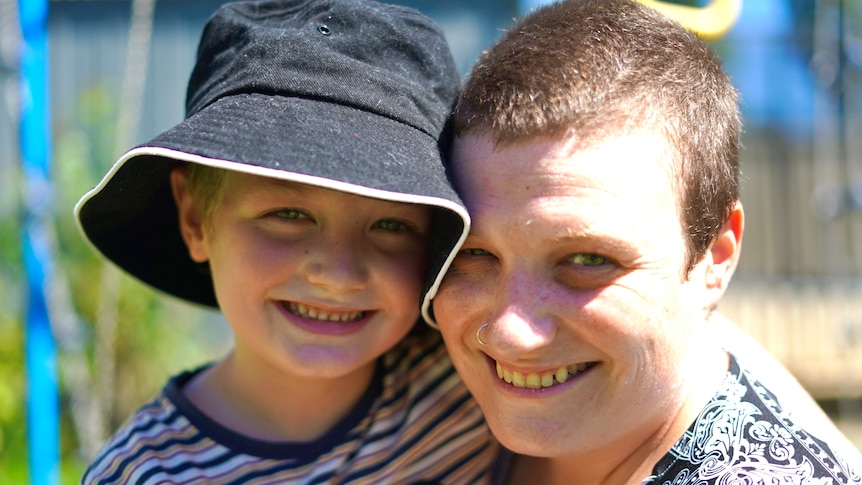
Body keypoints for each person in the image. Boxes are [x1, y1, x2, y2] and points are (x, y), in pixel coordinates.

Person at [423, 0, 862, 483]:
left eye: (589, 260)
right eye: (473, 253)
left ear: (715, 256)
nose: (512, 333)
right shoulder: (418, 391)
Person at [75, 0, 498, 482]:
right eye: (289, 214)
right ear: (194, 218)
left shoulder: (474, 383)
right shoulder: (145, 472)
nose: (338, 275)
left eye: (392, 225)